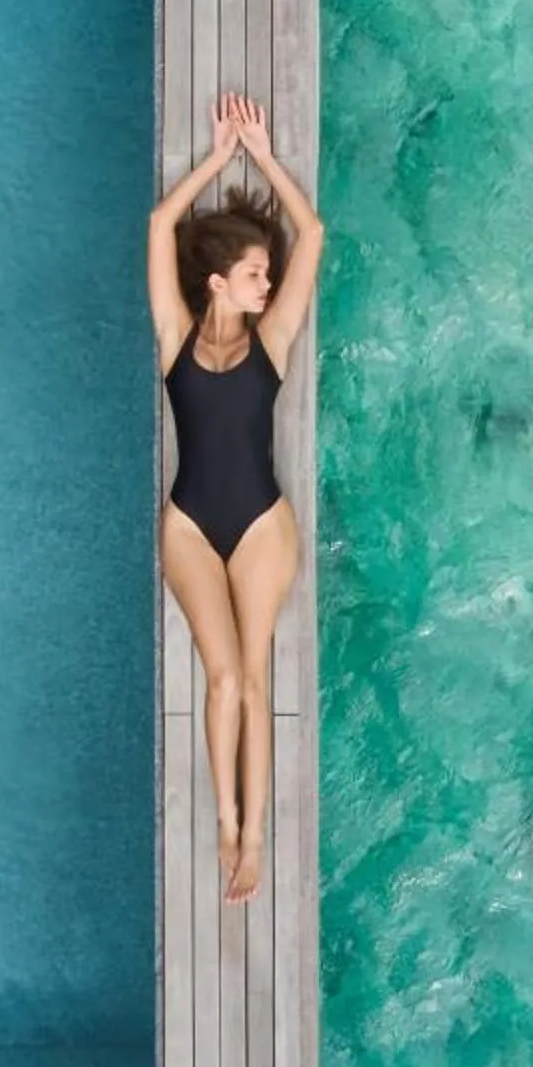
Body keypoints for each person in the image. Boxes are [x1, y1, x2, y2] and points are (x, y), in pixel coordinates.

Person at [149, 90, 325, 903]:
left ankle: (254, 837)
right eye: (255, 274)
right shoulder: (177, 337)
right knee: (219, 680)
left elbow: (313, 233)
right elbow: (159, 229)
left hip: (259, 524)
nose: (268, 283)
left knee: (251, 678)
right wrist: (217, 162)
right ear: (217, 282)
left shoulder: (273, 341)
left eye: (268, 274)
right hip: (189, 525)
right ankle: (224, 819)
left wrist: (265, 155)